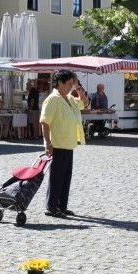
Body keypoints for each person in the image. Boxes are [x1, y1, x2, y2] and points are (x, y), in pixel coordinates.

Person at [40, 70, 85, 218]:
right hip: (57, 143)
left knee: (66, 177)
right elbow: (45, 122)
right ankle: (51, 207)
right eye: (69, 83)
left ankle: (62, 206)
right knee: (56, 177)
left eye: (73, 84)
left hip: (69, 143)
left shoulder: (69, 98)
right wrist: (47, 143)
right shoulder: (53, 99)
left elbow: (84, 103)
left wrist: (78, 88)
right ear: (59, 82)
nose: (71, 87)